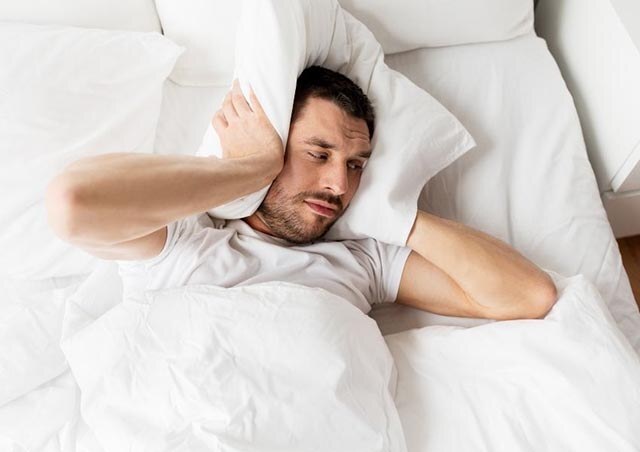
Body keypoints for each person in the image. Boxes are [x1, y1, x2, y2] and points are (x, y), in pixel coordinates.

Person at [46, 66, 557, 319]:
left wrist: (399, 216)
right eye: (318, 154)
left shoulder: (364, 262)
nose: (340, 185)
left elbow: (530, 296)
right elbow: (73, 203)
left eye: (356, 165)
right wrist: (252, 168)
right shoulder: (181, 243)